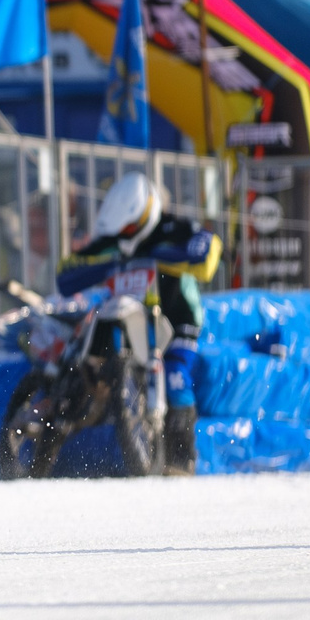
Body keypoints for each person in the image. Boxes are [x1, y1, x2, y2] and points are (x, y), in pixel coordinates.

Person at [65, 170, 221, 475]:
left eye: (130, 228)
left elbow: (211, 251)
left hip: (178, 320)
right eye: (121, 230)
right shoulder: (115, 239)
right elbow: (67, 271)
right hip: (132, 322)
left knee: (176, 376)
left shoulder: (175, 226)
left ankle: (181, 461)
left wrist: (175, 254)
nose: (126, 235)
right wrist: (89, 264)